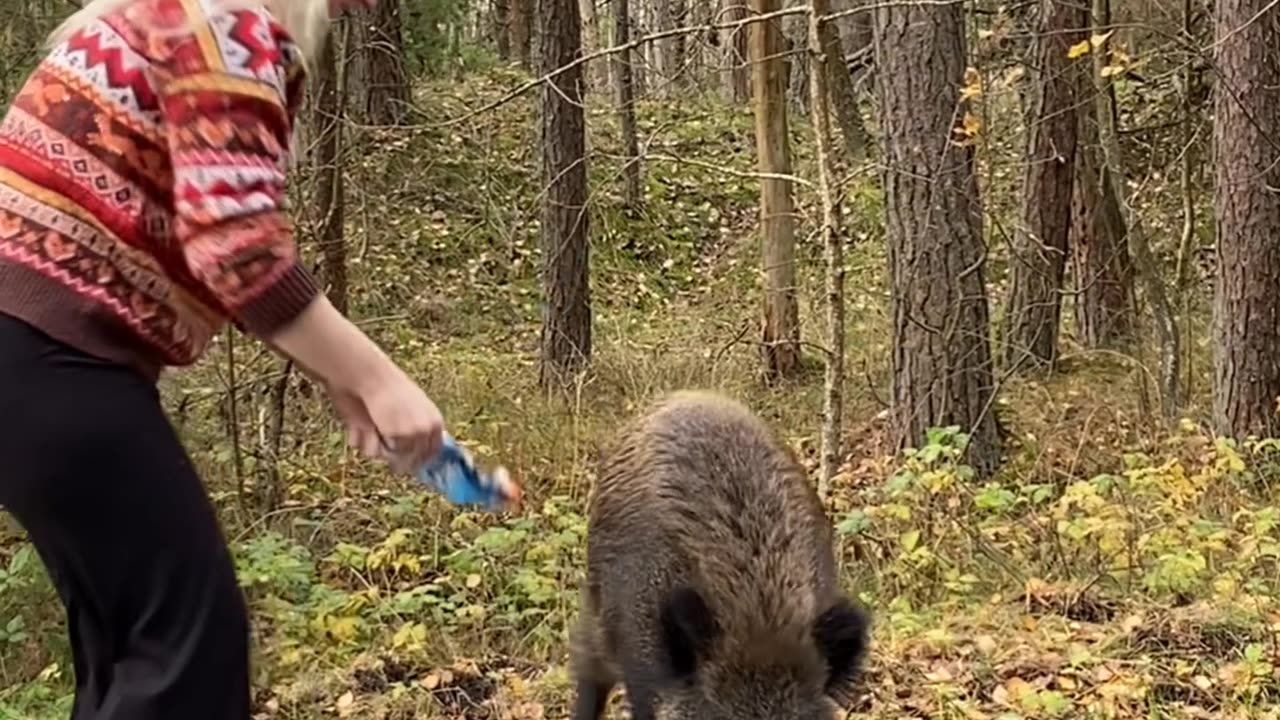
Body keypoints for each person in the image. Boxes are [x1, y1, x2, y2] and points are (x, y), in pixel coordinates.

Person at [0, 0, 443, 717]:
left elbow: (202, 237)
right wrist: (377, 376)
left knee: (133, 651)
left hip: (34, 359)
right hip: (52, 357)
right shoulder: (228, 26)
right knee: (187, 656)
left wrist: (336, 370)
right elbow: (237, 246)